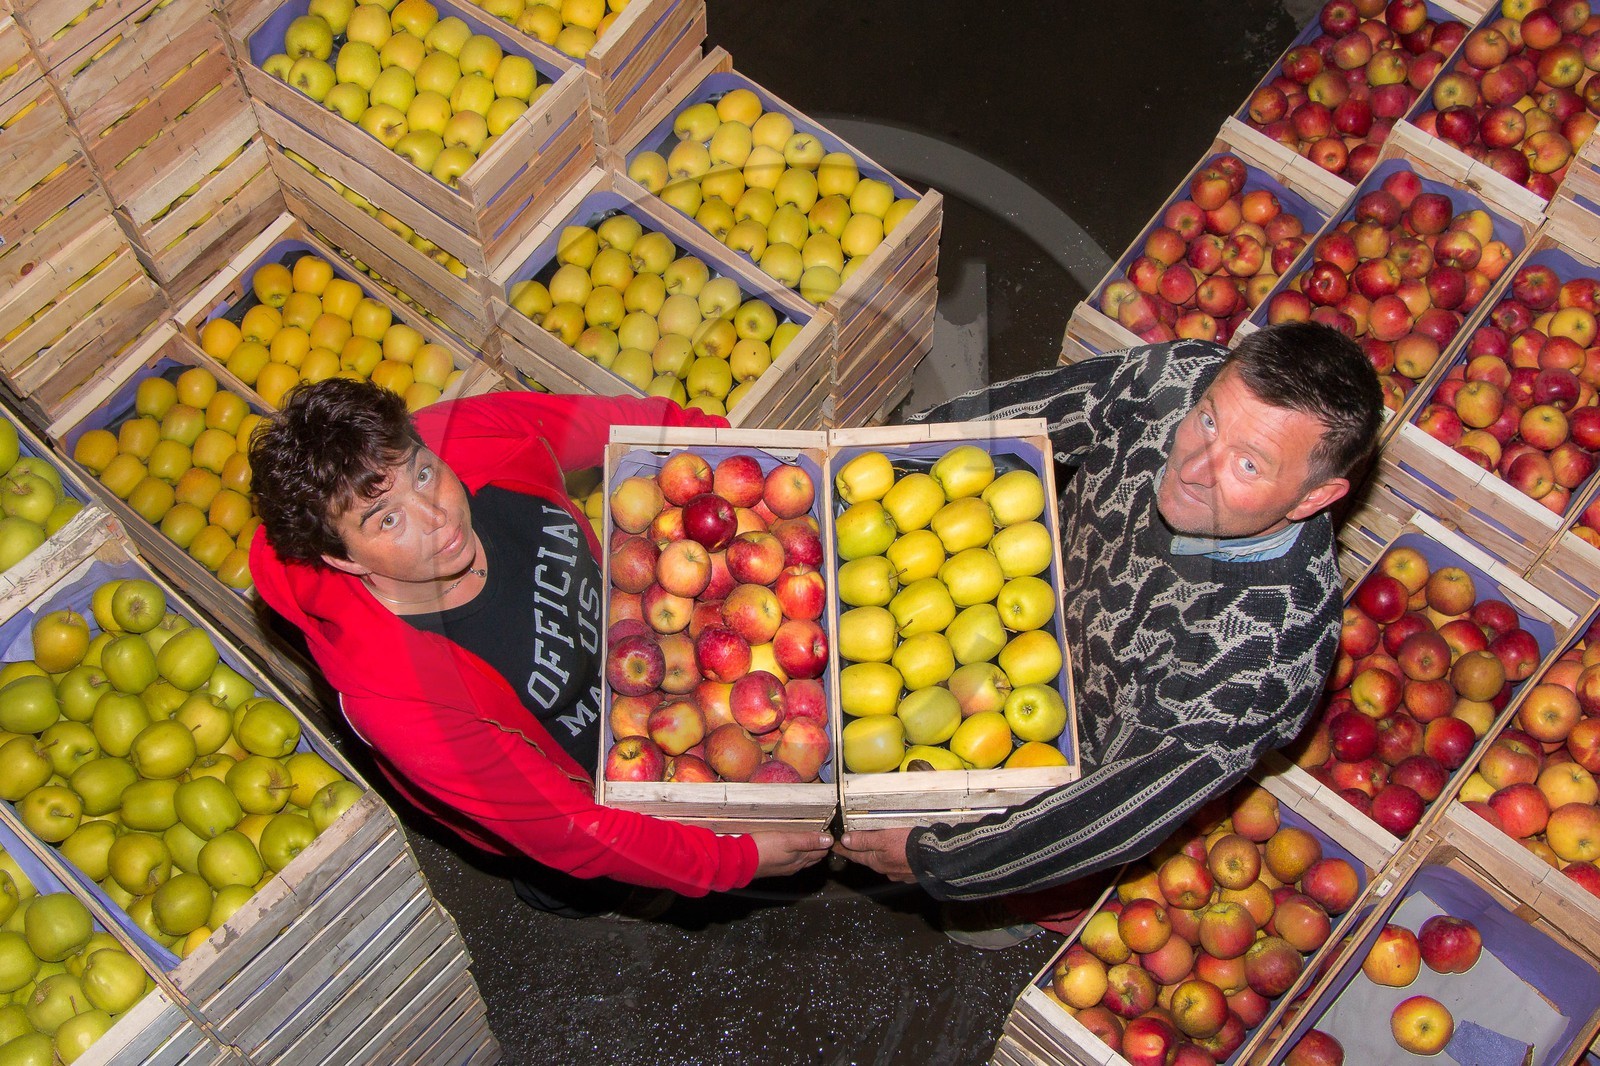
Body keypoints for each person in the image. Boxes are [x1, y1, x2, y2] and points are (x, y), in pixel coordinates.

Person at [832, 321, 1383, 945]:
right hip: (1010, 614)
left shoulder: (1265, 655)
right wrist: (874, 457)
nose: (1196, 468)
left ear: (1316, 496)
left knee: (993, 911)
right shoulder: (1180, 380)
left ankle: (1036, 907)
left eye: (1249, 464)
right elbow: (1029, 410)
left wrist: (947, 859)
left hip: (1064, 772)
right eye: (1207, 421)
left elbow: (1121, 807)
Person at [248, 380, 831, 917]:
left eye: (424, 474)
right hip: (563, 792)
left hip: (642, 666)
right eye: (387, 521)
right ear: (345, 559)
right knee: (581, 874)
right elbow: (571, 831)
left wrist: (726, 454)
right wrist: (730, 864)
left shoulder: (464, 435)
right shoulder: (404, 699)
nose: (437, 516)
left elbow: (622, 423)